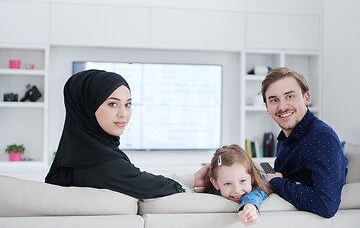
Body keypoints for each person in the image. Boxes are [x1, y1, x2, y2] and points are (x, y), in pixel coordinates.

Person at [45, 69, 209, 199]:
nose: (123, 114)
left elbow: (138, 178)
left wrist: (192, 179)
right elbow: (149, 184)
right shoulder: (101, 163)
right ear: (87, 107)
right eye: (113, 104)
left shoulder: (74, 159)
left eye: (128, 104)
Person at [261, 67, 348, 218]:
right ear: (267, 108)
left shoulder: (321, 138)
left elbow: (326, 204)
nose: (282, 107)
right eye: (274, 100)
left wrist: (278, 183)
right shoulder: (285, 137)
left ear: (306, 98)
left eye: (289, 96)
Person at [203, 144, 272, 227]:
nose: (237, 190)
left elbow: (258, 192)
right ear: (215, 184)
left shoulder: (260, 184)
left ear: (252, 178)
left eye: (242, 181)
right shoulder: (210, 190)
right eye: (228, 184)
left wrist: (250, 205)